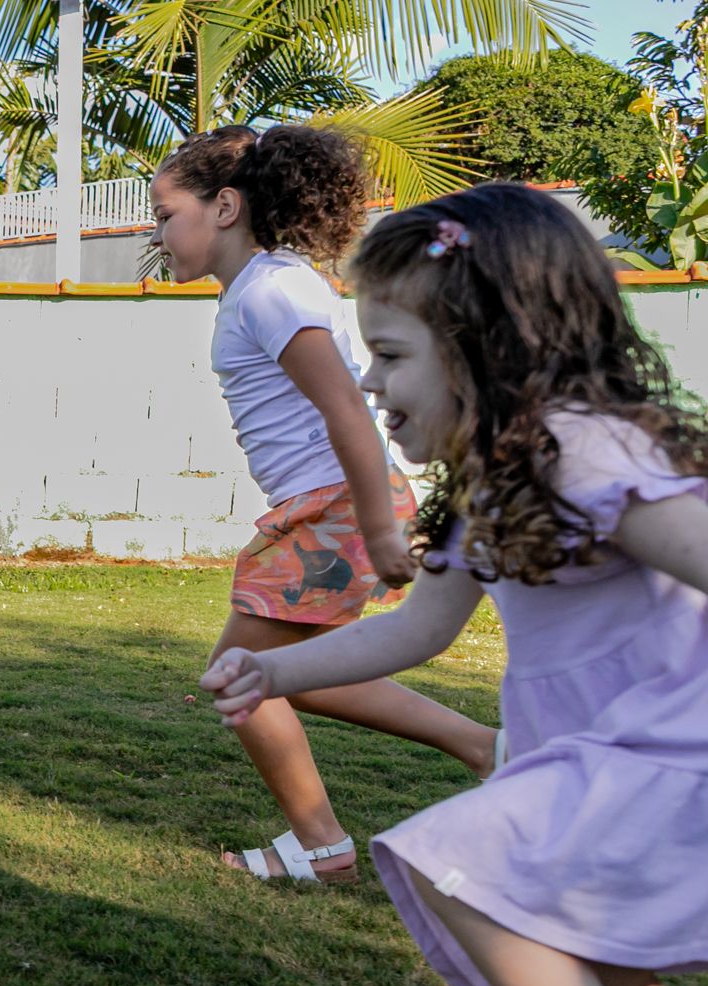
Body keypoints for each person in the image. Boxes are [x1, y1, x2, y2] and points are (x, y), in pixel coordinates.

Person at [202, 184, 708, 986]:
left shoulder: (581, 449)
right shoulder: (498, 478)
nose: (369, 383)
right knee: (610, 971)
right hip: (594, 756)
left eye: (390, 355)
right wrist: (276, 674)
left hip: (666, 751)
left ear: (487, 346)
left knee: (450, 858)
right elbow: (418, 629)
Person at [150, 124, 499, 884]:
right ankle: (483, 748)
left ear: (225, 207)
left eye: (166, 214)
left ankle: (321, 846)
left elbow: (345, 407)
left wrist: (377, 525)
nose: (157, 234)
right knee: (295, 673)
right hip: (329, 503)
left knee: (240, 674)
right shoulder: (263, 286)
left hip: (333, 505)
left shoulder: (272, 290)